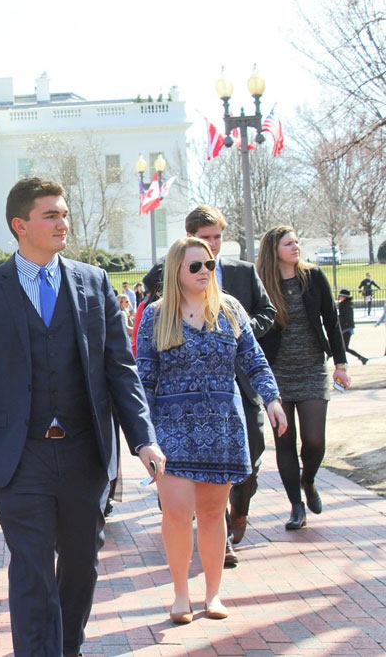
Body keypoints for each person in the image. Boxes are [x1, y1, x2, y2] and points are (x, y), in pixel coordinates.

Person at [0, 177, 165, 657]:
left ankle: (69, 647)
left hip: (84, 453)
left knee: (82, 565)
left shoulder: (94, 281)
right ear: (20, 225)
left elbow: (119, 369)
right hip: (19, 457)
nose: (63, 222)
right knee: (30, 568)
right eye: (51, 215)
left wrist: (143, 439)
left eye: (64, 213)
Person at [136, 237, 285, 624]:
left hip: (222, 426)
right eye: (195, 266)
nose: (205, 271)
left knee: (213, 511)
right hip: (172, 429)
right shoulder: (155, 315)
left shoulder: (230, 309)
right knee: (177, 512)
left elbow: (254, 360)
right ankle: (181, 594)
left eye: (210, 264)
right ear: (176, 272)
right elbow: (144, 378)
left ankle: (213, 594)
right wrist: (144, 438)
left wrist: (272, 399)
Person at [256, 226, 350, 530]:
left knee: (314, 440)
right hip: (276, 374)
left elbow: (331, 322)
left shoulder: (313, 277)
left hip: (312, 368)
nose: (296, 247)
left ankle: (308, 480)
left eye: (297, 242)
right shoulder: (262, 283)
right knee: (285, 442)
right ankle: (296, 507)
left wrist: (341, 363)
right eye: (289, 243)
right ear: (274, 249)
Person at [337, 289, 369, 365]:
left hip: (346, 328)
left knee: (344, 347)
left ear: (345, 297)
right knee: (342, 347)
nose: (340, 297)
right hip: (344, 328)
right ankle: (361, 358)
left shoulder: (347, 306)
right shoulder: (344, 305)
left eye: (341, 296)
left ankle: (361, 358)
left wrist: (339, 322)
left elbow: (346, 318)